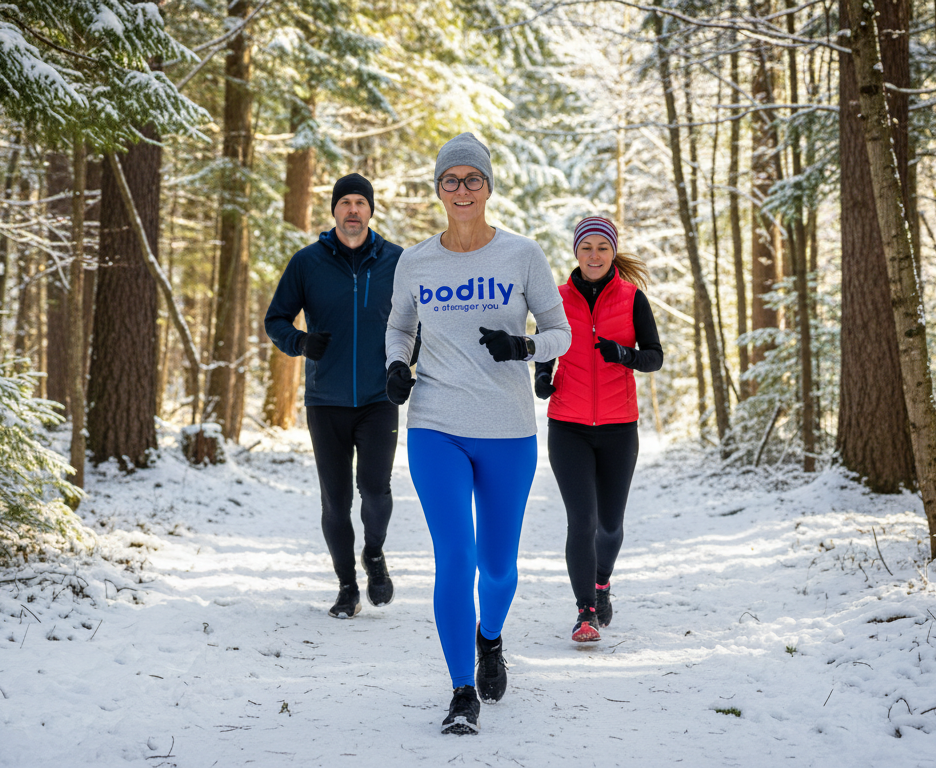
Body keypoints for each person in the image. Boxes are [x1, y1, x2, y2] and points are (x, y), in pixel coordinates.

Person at [384, 133, 570, 735]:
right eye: (450, 180)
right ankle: (462, 688)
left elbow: (561, 331)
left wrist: (525, 347)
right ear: (437, 189)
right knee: (455, 558)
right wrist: (395, 365)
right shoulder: (415, 261)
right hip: (435, 424)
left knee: (497, 567)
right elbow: (399, 326)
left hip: (508, 428)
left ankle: (490, 638)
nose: (461, 190)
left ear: (488, 187)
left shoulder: (521, 255)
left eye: (472, 179)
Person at [265, 173, 407, 620]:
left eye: (359, 203)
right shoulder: (307, 263)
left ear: (370, 210)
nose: (352, 210)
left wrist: (406, 362)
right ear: (334, 211)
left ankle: (375, 554)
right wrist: (302, 343)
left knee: (376, 490)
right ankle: (347, 587)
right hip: (325, 399)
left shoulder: (397, 261)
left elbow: (417, 321)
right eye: (344, 202)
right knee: (336, 498)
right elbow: (276, 320)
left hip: (378, 396)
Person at [534, 216, 662, 643]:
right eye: (586, 247)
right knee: (582, 521)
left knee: (610, 524)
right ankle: (585, 611)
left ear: (612, 253)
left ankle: (602, 584)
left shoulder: (631, 298)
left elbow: (654, 357)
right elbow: (545, 347)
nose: (594, 255)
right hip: (568, 425)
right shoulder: (557, 298)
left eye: (602, 248)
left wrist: (623, 354)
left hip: (619, 427)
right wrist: (541, 377)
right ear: (576, 252)